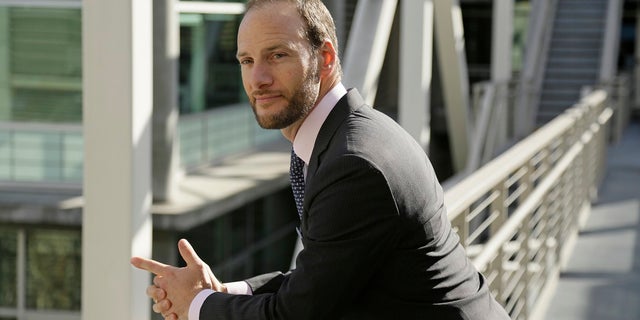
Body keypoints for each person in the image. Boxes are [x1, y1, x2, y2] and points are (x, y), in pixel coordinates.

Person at [131, 0, 511, 319]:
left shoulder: (355, 164)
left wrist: (198, 304)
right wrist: (225, 291)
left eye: (276, 55)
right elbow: (320, 273)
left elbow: (297, 314)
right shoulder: (341, 136)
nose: (257, 78)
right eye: (246, 60)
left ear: (325, 57)